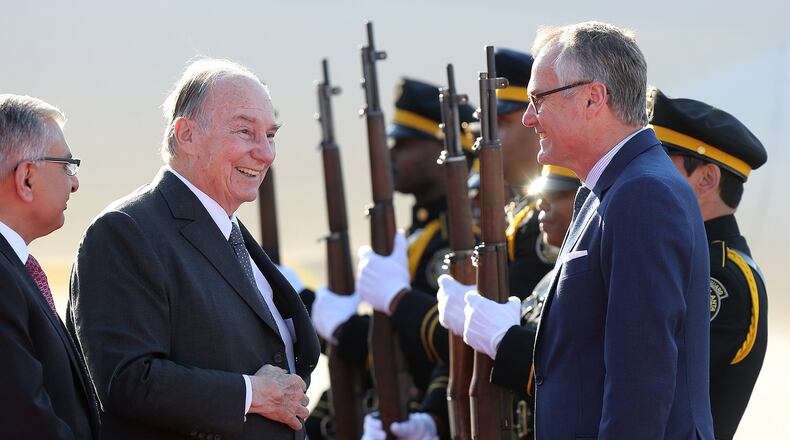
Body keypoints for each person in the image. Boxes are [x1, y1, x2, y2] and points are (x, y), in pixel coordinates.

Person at [69, 58, 320, 439]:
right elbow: (128, 381)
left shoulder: (229, 232)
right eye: (245, 132)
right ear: (186, 135)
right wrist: (251, 394)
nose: (266, 153)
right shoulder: (124, 232)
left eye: (270, 135)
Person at [516, 22, 713, 439]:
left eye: (538, 99)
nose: (528, 118)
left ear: (592, 97)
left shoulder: (643, 193)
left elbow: (641, 377)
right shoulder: (605, 189)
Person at [649, 88, 768, 440]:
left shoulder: (722, 277)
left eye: (658, 163)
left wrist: (516, 350)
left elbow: (654, 378)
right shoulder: (689, 258)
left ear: (706, 179)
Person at [0, 94, 98, 438]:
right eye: (66, 165)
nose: (74, 182)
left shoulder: (16, 270)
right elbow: (25, 422)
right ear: (26, 178)